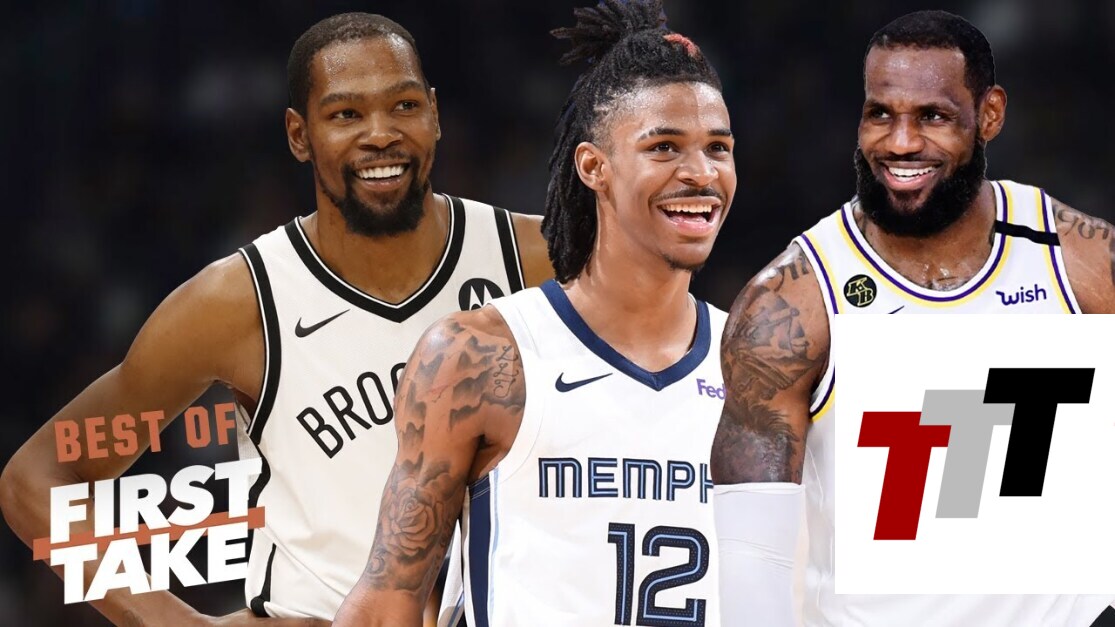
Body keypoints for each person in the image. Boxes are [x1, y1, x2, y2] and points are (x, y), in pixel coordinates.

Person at [0, 12, 550, 625]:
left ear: (436, 115)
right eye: (346, 114)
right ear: (298, 135)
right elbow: (38, 476)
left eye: (404, 105)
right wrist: (176, 623)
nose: (381, 133)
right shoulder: (236, 305)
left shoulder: (539, 263)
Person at [331, 1, 735, 625]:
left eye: (718, 148)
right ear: (593, 167)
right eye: (664, 147)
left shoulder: (757, 369)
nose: (701, 173)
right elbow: (388, 603)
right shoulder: (480, 358)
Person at [711, 9, 1115, 627]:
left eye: (933, 117)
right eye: (881, 114)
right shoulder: (792, 305)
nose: (900, 143)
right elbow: (754, 559)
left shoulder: (1080, 262)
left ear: (990, 115)